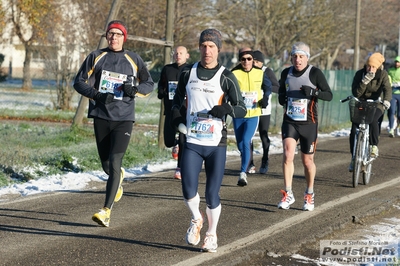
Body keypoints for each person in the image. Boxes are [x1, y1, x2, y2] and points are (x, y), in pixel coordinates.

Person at [171, 29, 246, 252]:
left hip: (216, 143)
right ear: (199, 47)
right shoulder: (187, 72)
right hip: (192, 140)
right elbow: (176, 101)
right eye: (203, 45)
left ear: (218, 49)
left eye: (211, 46)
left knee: (212, 193)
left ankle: (211, 234)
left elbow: (242, 108)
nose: (207, 50)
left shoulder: (226, 76)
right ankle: (196, 219)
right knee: (187, 188)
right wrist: (176, 116)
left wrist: (226, 108)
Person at [73, 20, 154, 227]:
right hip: (101, 115)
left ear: (123, 37)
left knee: (115, 161)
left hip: (124, 118)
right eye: (110, 34)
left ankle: (106, 211)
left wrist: (134, 90)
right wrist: (97, 95)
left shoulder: (133, 58)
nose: (114, 38)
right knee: (106, 164)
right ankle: (117, 179)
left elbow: (149, 83)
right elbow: (79, 82)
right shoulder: (96, 56)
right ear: (106, 37)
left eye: (118, 34)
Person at [278, 42, 333, 211]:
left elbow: (329, 95)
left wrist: (314, 92)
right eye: (295, 56)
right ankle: (288, 193)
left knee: (307, 161)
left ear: (307, 58)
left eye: (301, 56)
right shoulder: (286, 73)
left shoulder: (314, 73)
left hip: (309, 123)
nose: (297, 60)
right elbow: (281, 92)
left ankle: (309, 194)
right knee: (288, 155)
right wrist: (283, 97)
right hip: (290, 121)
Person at [232, 50, 272, 186]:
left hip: (253, 114)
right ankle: (246, 162)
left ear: (252, 60)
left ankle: (243, 173)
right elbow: (227, 89)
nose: (246, 62)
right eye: (243, 59)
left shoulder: (260, 73)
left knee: (245, 140)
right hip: (238, 114)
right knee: (240, 144)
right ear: (240, 60)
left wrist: (265, 97)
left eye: (249, 59)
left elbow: (268, 87)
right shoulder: (234, 73)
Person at [349, 52, 391, 170]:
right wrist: (364, 82)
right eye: (369, 66)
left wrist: (387, 100)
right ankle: (353, 157)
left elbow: (387, 89)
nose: (370, 69)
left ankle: (373, 146)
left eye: (373, 67)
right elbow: (356, 93)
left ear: (378, 67)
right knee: (353, 129)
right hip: (360, 102)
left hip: (376, 103)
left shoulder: (383, 75)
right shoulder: (359, 74)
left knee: (373, 120)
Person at [157, 46, 190, 179]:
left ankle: (179, 167)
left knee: (183, 140)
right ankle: (174, 144)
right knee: (168, 142)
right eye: (176, 53)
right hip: (170, 109)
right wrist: (160, 91)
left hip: (185, 110)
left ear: (187, 55)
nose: (178, 55)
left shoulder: (191, 69)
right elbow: (161, 84)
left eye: (181, 53)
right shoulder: (167, 69)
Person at [249, 50, 279, 174]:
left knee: (263, 135)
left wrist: (264, 86)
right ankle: (249, 163)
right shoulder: (248, 71)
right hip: (250, 109)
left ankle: (265, 160)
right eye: (253, 61)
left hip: (264, 110)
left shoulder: (267, 71)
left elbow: (277, 87)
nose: (255, 64)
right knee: (249, 136)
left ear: (261, 62)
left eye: (257, 61)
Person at [387, 56, 400, 137]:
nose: (397, 63)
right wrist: (391, 83)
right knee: (391, 111)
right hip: (393, 93)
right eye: (396, 62)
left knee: (399, 114)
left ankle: (398, 127)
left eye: (398, 62)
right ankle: (391, 129)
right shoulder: (390, 71)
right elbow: (388, 79)